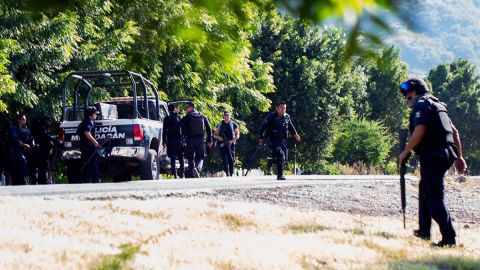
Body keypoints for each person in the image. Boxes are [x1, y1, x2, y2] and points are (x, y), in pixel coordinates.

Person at [398, 77, 467, 247]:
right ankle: (424, 231)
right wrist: (459, 157)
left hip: (434, 155)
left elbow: (420, 131)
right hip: (445, 153)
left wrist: (404, 153)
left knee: (433, 196)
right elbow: (454, 132)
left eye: (409, 93)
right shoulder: (438, 105)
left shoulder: (422, 104)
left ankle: (449, 238)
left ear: (416, 91)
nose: (407, 97)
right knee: (425, 189)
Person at [259, 102, 301, 180]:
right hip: (272, 139)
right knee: (281, 156)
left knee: (284, 158)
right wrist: (261, 138)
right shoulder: (271, 117)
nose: (283, 109)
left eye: (284, 108)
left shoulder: (287, 116)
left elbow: (290, 126)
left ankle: (270, 161)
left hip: (283, 140)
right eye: (281, 107)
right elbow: (262, 127)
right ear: (277, 108)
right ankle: (280, 175)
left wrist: (295, 134)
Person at [181, 102, 213, 178]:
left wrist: (183, 137)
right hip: (201, 140)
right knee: (200, 157)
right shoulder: (202, 115)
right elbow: (209, 127)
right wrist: (209, 139)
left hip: (190, 139)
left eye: (187, 107)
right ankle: (197, 169)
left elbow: (180, 125)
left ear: (192, 107)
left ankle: (193, 172)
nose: (185, 109)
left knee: (190, 157)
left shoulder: (188, 117)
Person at [9, 114, 35, 185]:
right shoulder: (14, 128)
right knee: (20, 164)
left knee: (25, 166)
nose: (25, 121)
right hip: (15, 151)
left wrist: (33, 143)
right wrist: (24, 144)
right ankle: (20, 184)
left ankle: (22, 182)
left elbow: (31, 137)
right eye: (23, 119)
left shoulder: (26, 128)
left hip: (24, 151)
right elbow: (14, 139)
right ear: (19, 120)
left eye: (25, 119)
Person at [77, 107, 101, 183]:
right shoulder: (89, 122)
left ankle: (86, 180)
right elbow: (87, 133)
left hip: (84, 146)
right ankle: (95, 180)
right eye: (95, 114)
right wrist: (95, 143)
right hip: (89, 147)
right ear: (90, 116)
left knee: (86, 164)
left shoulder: (83, 122)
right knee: (93, 164)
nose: (96, 116)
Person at [214, 111, 239, 177]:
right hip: (222, 145)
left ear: (230, 116)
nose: (227, 117)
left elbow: (237, 135)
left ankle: (231, 173)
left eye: (228, 115)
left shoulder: (234, 124)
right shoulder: (220, 124)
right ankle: (227, 173)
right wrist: (219, 137)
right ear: (223, 116)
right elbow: (215, 134)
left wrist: (231, 141)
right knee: (225, 159)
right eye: (225, 115)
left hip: (231, 144)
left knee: (232, 159)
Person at [162, 104, 185, 178]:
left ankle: (174, 174)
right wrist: (184, 139)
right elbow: (183, 128)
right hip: (179, 139)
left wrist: (164, 142)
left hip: (170, 139)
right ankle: (182, 173)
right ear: (174, 109)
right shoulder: (178, 117)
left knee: (172, 158)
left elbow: (164, 131)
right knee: (181, 157)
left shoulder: (166, 118)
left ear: (168, 110)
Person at [31, 116, 55, 184]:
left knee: (43, 167)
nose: (49, 123)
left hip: (42, 150)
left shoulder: (41, 127)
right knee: (42, 167)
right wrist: (53, 139)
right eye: (49, 121)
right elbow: (46, 136)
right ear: (46, 120)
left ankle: (43, 181)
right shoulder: (41, 127)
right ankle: (42, 181)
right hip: (41, 150)